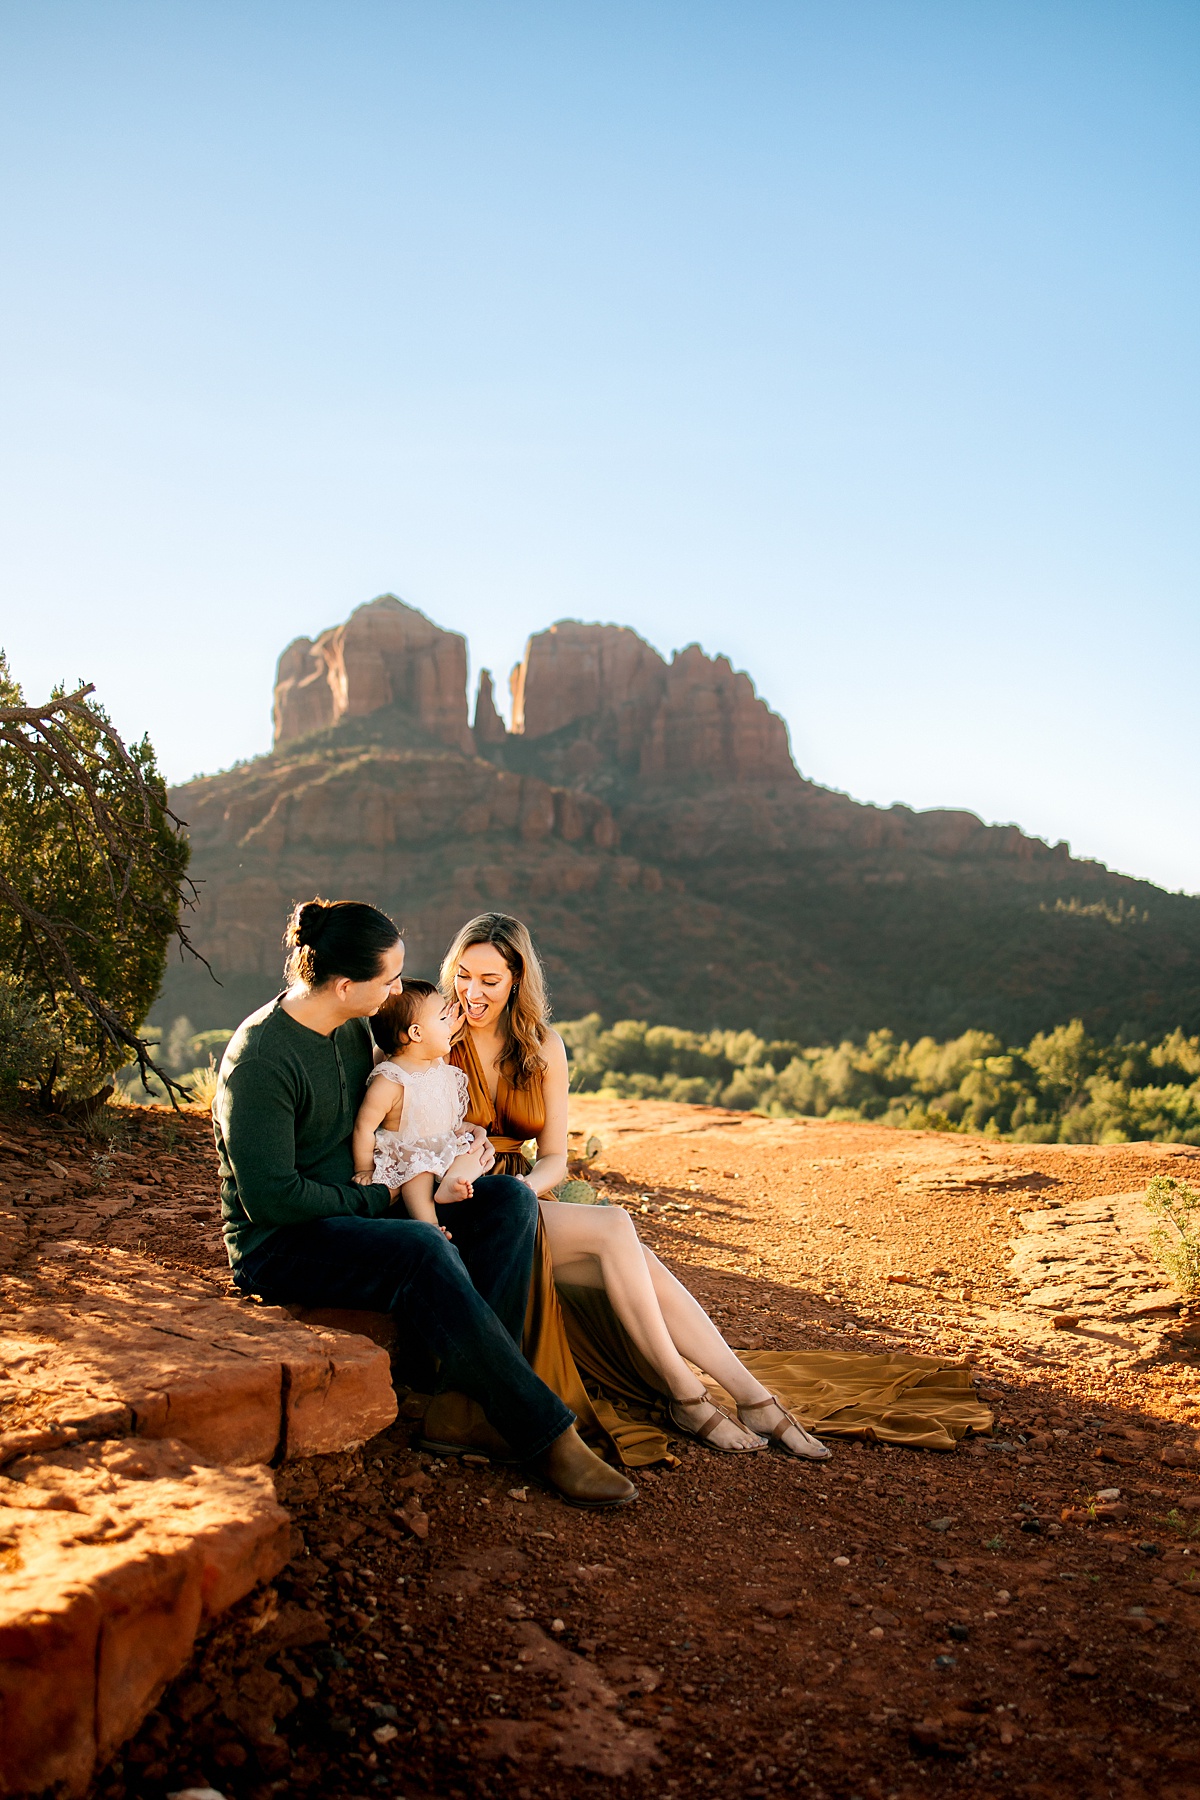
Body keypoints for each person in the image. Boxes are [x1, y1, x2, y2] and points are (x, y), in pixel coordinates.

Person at [213, 896, 637, 1508]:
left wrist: (449, 1163)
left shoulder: (354, 1029)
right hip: (284, 1243)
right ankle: (545, 1434)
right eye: (387, 981)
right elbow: (271, 1201)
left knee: (506, 1205)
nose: (395, 993)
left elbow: (409, 1096)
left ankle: (465, 1410)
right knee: (418, 1247)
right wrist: (385, 1194)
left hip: (358, 1206)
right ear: (343, 984)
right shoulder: (261, 1059)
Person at [444, 913, 831, 1461]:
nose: (472, 993)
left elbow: (555, 1155)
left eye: (490, 980)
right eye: (463, 975)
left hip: (522, 1195)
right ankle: (689, 1394)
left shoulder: (541, 1045)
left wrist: (527, 1191)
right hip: (461, 1201)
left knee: (632, 1255)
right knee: (615, 1229)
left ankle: (749, 1397)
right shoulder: (434, 1035)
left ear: (517, 981)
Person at [350, 980, 492, 1224]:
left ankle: (452, 1181)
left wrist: (446, 1028)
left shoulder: (436, 1061)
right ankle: (430, 1225)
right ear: (416, 1033)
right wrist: (364, 1169)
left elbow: (438, 1038)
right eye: (441, 1019)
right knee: (417, 1175)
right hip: (410, 1153)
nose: (449, 1025)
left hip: (442, 1144)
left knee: (473, 1148)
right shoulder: (391, 1080)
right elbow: (364, 1128)